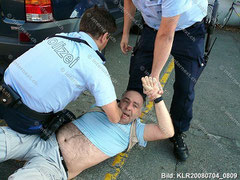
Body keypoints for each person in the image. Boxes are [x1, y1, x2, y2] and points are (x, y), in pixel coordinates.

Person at [0, 76, 174, 180]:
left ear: (139, 113)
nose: (128, 107)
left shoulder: (135, 131)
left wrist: (157, 99)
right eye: (126, 101)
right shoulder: (104, 107)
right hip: (41, 140)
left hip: (55, 165)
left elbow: (167, 131)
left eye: (135, 106)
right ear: (118, 101)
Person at [0, 6, 122, 136]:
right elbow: (114, 117)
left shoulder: (57, 37)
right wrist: (120, 111)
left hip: (2, 91)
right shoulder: (95, 66)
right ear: (104, 36)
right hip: (25, 120)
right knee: (65, 123)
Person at [120, 0, 208, 161]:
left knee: (185, 87)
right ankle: (125, 121)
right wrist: (125, 33)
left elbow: (166, 35)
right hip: (152, 28)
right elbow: (129, 2)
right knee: (137, 77)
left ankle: (177, 131)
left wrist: (154, 76)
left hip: (188, 31)